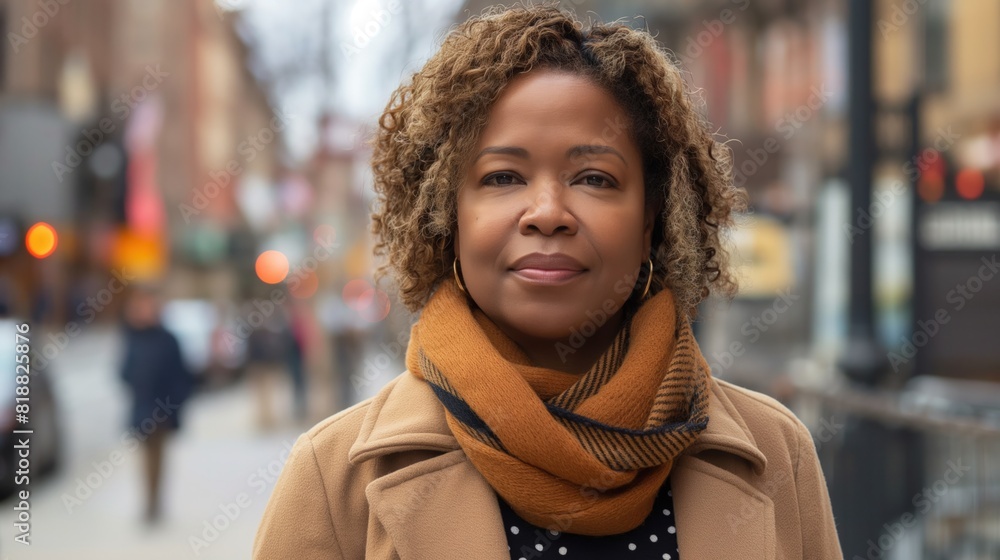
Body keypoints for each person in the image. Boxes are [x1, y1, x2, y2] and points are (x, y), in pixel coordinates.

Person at [253, 4, 843, 558]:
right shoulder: (334, 479)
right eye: (503, 176)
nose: (547, 211)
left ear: (651, 221)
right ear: (447, 217)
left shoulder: (776, 453)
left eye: (594, 177)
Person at [119, 283, 195, 524]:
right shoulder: (133, 339)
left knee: (158, 459)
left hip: (163, 411)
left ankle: (155, 503)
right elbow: (123, 372)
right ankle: (148, 502)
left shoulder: (168, 339)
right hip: (141, 409)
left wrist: (173, 404)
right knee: (144, 459)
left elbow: (182, 376)